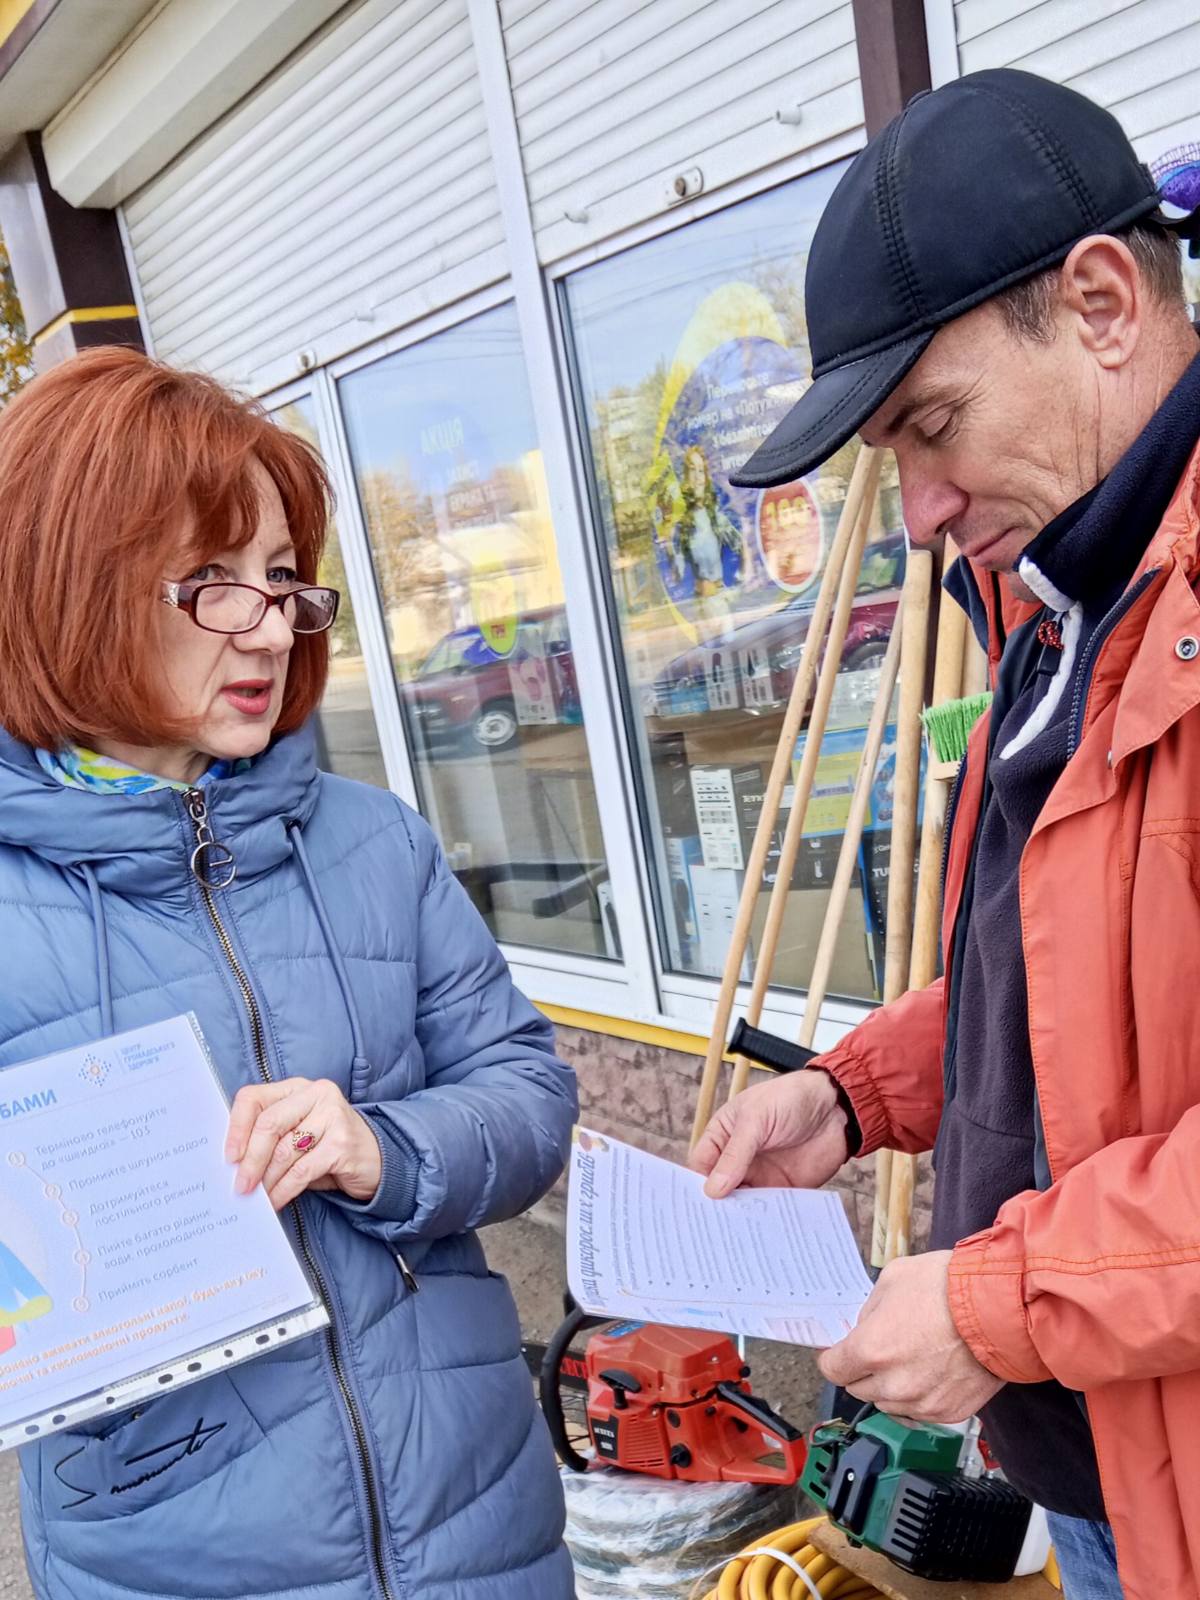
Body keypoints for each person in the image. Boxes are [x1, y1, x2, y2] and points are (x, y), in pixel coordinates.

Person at [692, 69, 1200, 1600]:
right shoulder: (1063, 606)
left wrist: (998, 1300)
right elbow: (1062, 987)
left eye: (934, 426)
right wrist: (854, 1095)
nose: (916, 513)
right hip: (1100, 1463)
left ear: (1102, 303)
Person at [0, 347, 578, 1600]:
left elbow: (530, 1094)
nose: (269, 623)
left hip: (477, 1519)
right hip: (172, 1545)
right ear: (67, 587)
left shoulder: (375, 843)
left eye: (279, 578)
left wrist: (385, 1147)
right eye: (214, 582)